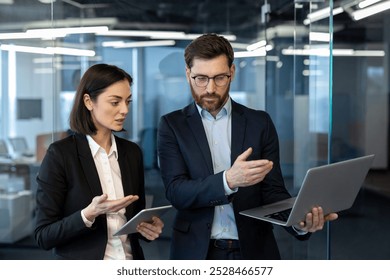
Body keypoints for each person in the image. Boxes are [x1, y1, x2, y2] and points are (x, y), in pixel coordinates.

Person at [157, 33, 338, 260]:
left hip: (254, 248)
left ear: (232, 73)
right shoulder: (172, 126)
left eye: (219, 78)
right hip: (196, 252)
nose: (210, 88)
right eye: (200, 78)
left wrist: (298, 222)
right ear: (188, 74)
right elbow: (176, 191)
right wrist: (228, 181)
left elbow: (273, 192)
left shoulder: (259, 122)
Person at [34, 63, 164, 260]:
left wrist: (148, 228)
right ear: (88, 101)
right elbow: (43, 236)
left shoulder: (132, 153)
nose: (124, 110)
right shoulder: (61, 154)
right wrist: (88, 214)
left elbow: (134, 221)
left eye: (128, 101)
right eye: (115, 102)